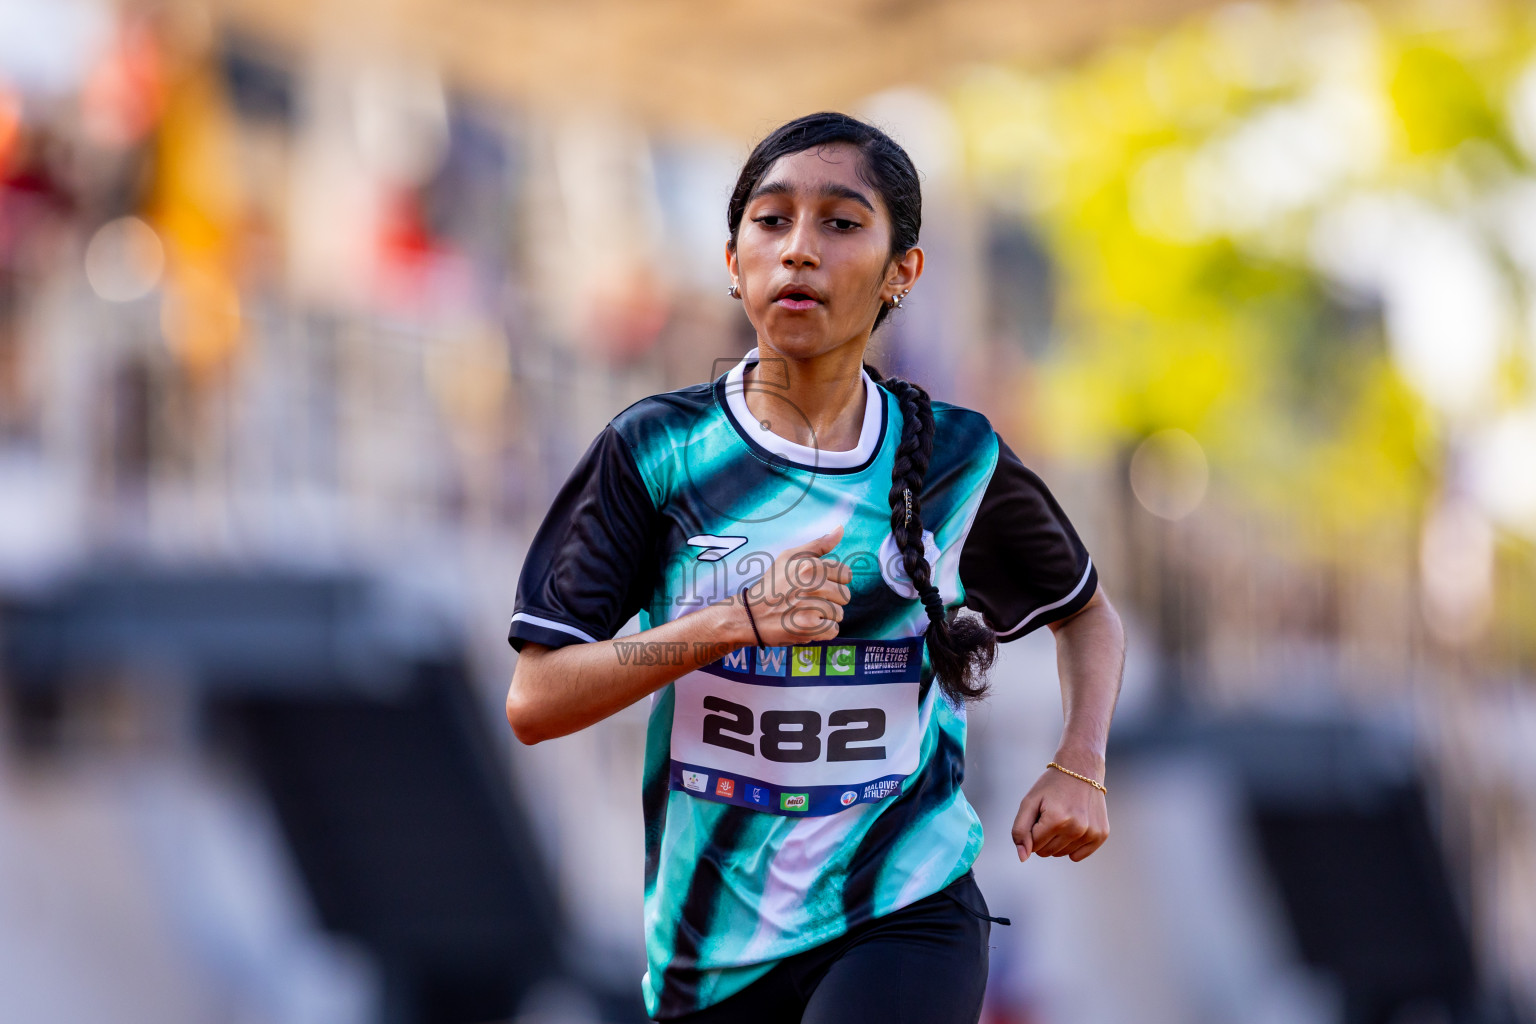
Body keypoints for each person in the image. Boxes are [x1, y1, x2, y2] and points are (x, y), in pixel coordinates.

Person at [505, 111, 1126, 1023]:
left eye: (840, 223)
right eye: (772, 220)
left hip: (903, 908)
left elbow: (1088, 613)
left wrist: (1081, 762)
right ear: (732, 261)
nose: (799, 250)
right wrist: (727, 624)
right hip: (709, 944)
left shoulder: (959, 458)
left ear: (901, 272)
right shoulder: (657, 449)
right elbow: (536, 699)